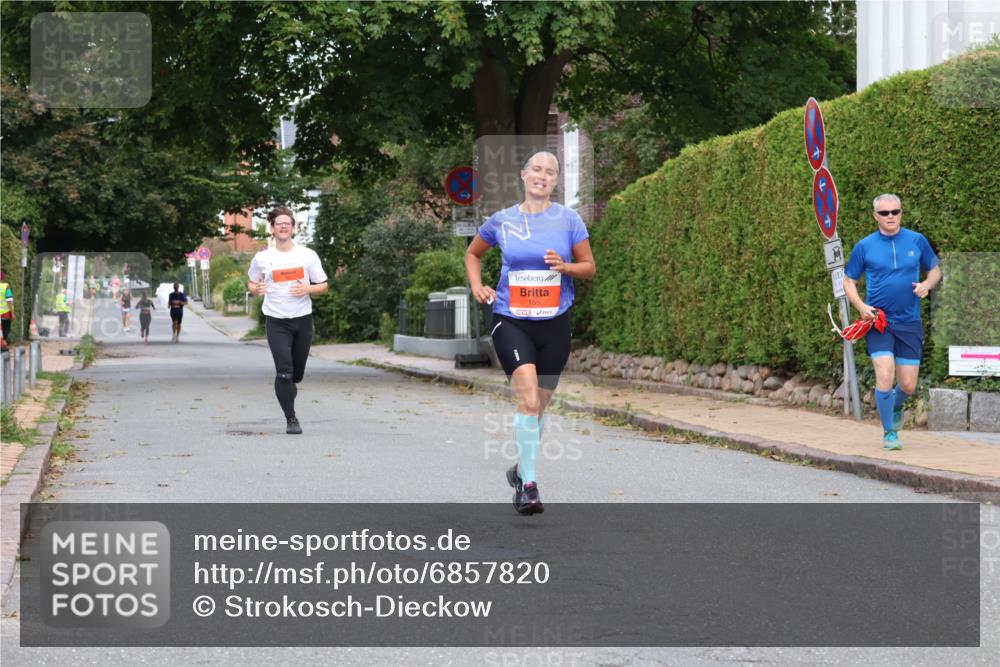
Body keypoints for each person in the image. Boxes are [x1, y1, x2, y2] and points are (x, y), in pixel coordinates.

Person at [465, 151, 596, 515]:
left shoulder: (569, 221)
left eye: (550, 172)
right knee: (528, 398)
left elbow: (589, 268)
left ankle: (521, 470)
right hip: (511, 318)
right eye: (536, 169)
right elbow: (473, 254)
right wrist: (478, 286)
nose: (542, 175)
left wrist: (566, 266)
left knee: (540, 406)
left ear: (556, 181)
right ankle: (530, 487)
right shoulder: (502, 220)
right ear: (524, 175)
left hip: (555, 323)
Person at [844, 194, 941, 451]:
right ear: (875, 216)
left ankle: (896, 405)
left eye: (895, 212)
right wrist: (862, 307)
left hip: (910, 322)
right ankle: (890, 433)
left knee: (908, 384)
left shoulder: (916, 240)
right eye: (884, 213)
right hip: (879, 321)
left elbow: (935, 269)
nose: (891, 217)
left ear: (901, 213)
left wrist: (927, 284)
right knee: (884, 373)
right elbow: (848, 281)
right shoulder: (864, 246)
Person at [247, 207, 329, 435]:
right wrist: (257, 289)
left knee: (296, 374)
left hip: (302, 320)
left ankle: (291, 383)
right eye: (278, 223)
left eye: (287, 223)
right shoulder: (262, 258)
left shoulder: (307, 255)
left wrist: (308, 288)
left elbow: (323, 284)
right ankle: (291, 418)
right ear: (272, 229)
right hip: (276, 321)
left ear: (293, 228)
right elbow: (252, 283)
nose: (283, 226)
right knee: (284, 371)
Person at [0, 270, 13, 350]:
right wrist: (12, 312)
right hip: (5, 313)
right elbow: (9, 300)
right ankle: (3, 344)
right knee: (5, 331)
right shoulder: (6, 286)